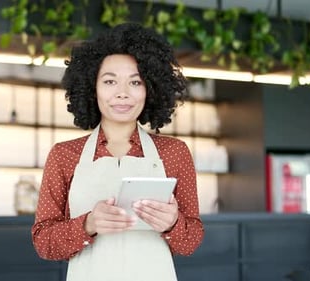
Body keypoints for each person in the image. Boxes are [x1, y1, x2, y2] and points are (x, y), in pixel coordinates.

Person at [31, 22, 204, 281]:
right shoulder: (64, 155)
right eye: (110, 81)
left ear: (150, 89)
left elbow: (190, 242)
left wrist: (172, 223)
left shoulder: (174, 153)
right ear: (92, 87)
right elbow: (43, 242)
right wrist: (89, 224)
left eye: (135, 82)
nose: (122, 94)